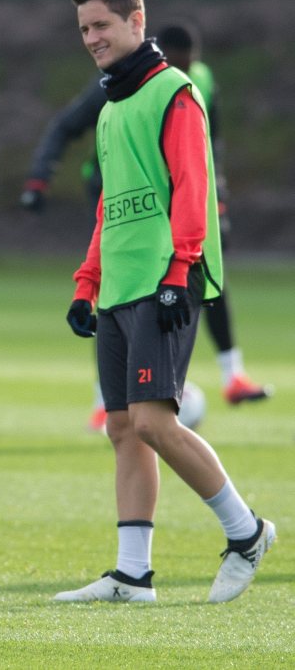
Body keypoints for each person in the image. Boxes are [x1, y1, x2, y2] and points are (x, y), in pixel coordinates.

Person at [57, 0, 275, 605]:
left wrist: (182, 270)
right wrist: (85, 281)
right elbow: (109, 206)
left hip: (163, 280)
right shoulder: (112, 105)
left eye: (101, 25)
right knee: (122, 427)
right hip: (118, 285)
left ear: (136, 22)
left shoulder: (174, 91)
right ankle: (132, 575)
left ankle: (247, 532)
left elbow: (192, 186)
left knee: (153, 421)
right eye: (84, 30)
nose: (92, 38)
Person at [20, 23, 271, 431]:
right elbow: (65, 126)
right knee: (114, 287)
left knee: (202, 267)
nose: (185, 70)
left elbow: (214, 144)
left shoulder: (196, 82)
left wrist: (217, 197)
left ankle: (233, 376)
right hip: (111, 193)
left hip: (175, 186)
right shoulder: (118, 85)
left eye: (191, 64)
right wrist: (39, 178)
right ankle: (106, 398)